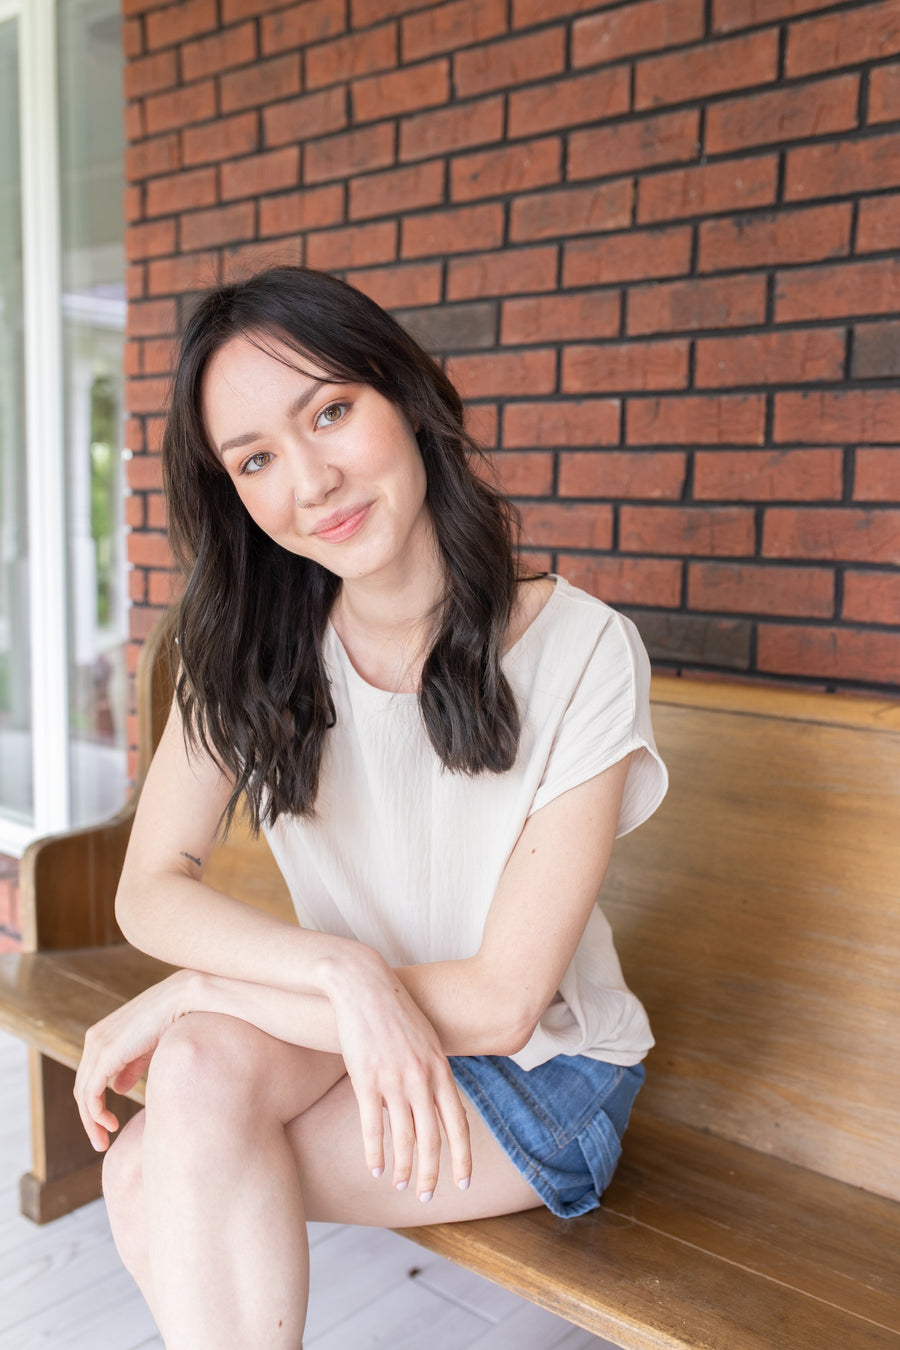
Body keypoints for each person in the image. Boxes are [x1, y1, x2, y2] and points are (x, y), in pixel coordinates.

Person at [73, 265, 668, 1350]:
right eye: (255, 459)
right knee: (194, 1085)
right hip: (353, 1031)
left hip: (543, 1078)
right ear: (234, 494)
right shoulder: (251, 657)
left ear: (407, 396)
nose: (309, 480)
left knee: (158, 1163)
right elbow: (150, 887)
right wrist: (338, 972)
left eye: (331, 412)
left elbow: (499, 1005)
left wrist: (209, 986)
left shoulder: (581, 647)